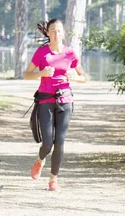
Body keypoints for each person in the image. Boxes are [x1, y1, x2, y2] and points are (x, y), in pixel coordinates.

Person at [24, 18, 87, 191]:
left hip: (65, 100)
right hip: (45, 100)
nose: (56, 34)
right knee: (47, 143)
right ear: (48, 33)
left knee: (59, 142)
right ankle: (40, 160)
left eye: (59, 30)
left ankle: (53, 180)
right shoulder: (42, 53)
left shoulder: (70, 53)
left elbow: (84, 77)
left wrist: (75, 77)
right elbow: (26, 74)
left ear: (63, 33)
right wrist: (41, 73)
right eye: (52, 30)